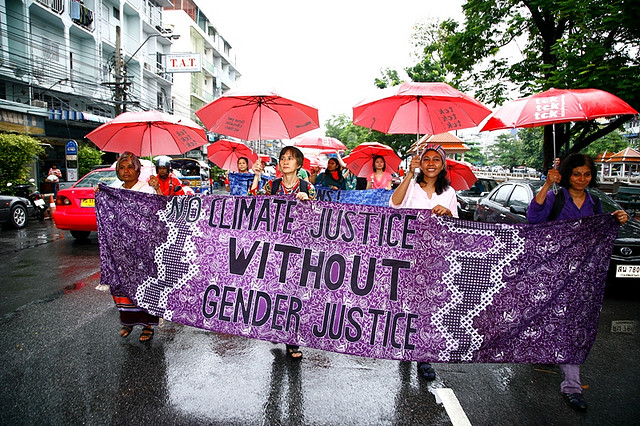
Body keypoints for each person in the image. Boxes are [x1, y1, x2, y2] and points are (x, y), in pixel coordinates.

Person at [526, 153, 628, 412]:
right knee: (548, 318)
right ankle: (547, 350)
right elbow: (534, 218)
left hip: (582, 276)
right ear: (568, 174)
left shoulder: (595, 202)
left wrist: (618, 218)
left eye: (587, 174)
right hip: (553, 272)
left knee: (573, 324)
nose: (582, 179)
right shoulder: (555, 198)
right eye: (576, 174)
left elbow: (601, 232)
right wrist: (548, 184)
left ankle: (572, 386)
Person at [389, 144, 458, 380]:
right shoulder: (412, 186)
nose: (430, 163)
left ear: (443, 165)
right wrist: (409, 174)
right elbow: (394, 204)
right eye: (426, 159)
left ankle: (423, 356)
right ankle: (408, 346)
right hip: (409, 253)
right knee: (410, 304)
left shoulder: (449, 193)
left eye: (435, 160)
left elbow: (455, 226)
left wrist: (447, 214)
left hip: (434, 257)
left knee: (427, 306)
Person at [249, 146, 316, 359]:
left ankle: (293, 340)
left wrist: (307, 203)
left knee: (294, 293)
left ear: (299, 164)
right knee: (276, 291)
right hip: (275, 247)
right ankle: (278, 328)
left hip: (298, 249)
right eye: (282, 158)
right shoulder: (272, 185)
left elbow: (317, 219)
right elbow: (252, 203)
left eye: (290, 158)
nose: (285, 161)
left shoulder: (308, 187)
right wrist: (257, 176)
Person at [110, 152, 159, 342]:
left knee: (145, 287)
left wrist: (157, 191)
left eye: (130, 167)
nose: (126, 171)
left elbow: (158, 212)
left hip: (143, 248)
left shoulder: (147, 190)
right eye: (122, 168)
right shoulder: (113, 190)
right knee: (123, 287)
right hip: (121, 248)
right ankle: (127, 322)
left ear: (138, 170)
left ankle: (148, 326)